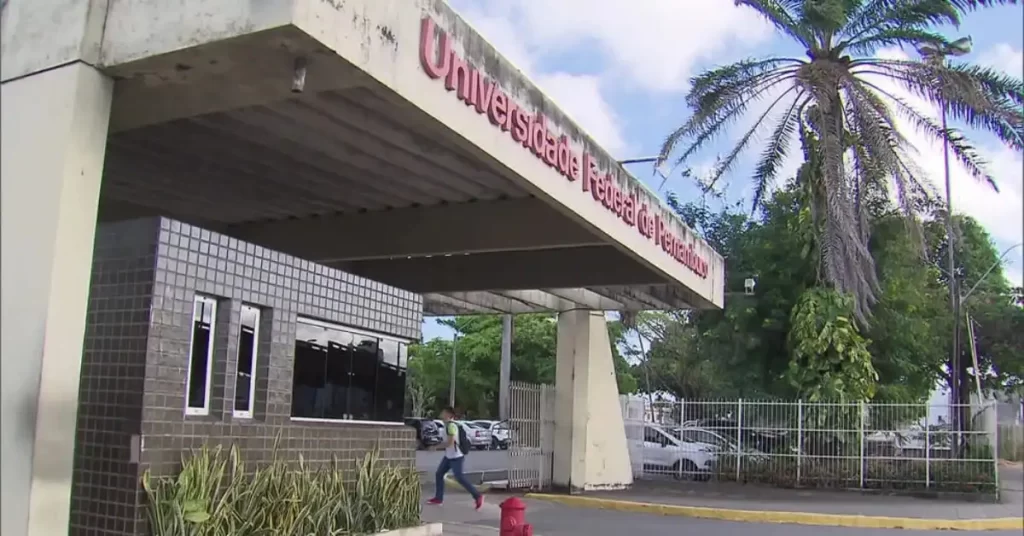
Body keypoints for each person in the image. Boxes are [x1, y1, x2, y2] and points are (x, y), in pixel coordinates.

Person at [427, 406, 484, 509]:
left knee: (459, 477)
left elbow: (450, 443)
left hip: (456, 457)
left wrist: (435, 447)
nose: (441, 414)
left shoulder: (451, 426)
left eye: (443, 412)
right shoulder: (447, 425)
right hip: (449, 456)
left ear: (449, 415)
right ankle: (438, 498)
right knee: (439, 474)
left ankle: (477, 496)